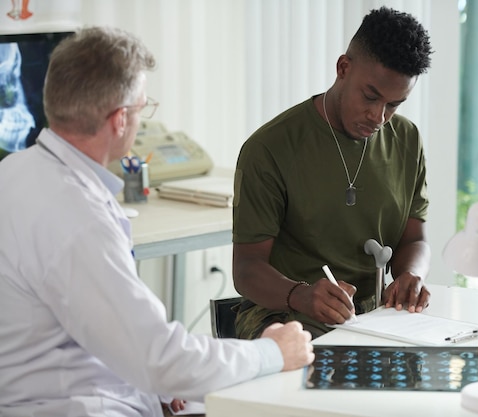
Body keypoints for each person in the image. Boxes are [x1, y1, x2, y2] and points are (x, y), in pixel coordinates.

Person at [0, 26, 314, 417]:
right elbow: (161, 360)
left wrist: (160, 382)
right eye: (143, 108)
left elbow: (115, 336)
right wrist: (271, 352)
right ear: (120, 120)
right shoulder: (79, 218)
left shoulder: (15, 172)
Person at [232, 6, 434, 340]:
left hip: (374, 318)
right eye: (370, 96)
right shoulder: (270, 148)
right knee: (322, 372)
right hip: (283, 315)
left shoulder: (407, 141)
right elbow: (246, 270)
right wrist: (301, 294)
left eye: (394, 104)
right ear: (343, 68)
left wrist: (410, 276)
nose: (378, 116)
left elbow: (414, 239)